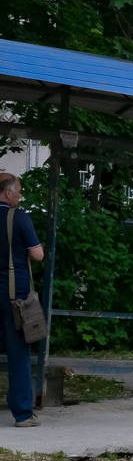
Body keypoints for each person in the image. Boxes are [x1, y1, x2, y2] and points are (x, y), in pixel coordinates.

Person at [0, 172, 44, 428]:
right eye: (19, 192)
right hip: (14, 296)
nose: (20, 196)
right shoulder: (18, 217)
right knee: (18, 353)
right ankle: (23, 414)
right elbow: (37, 254)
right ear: (8, 193)